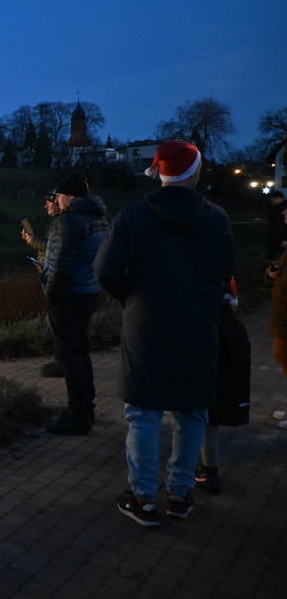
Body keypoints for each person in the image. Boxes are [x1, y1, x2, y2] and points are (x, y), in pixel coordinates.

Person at [95, 140, 234, 527]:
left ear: (161, 173)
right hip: (198, 328)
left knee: (143, 414)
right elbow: (225, 272)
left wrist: (132, 297)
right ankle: (179, 494)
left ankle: (143, 500)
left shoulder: (133, 217)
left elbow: (104, 270)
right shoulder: (217, 219)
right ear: (194, 173)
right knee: (191, 413)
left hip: (148, 326)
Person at [41, 172, 108, 435]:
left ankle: (78, 414)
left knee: (69, 356)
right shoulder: (101, 220)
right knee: (81, 352)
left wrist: (51, 295)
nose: (57, 199)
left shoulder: (70, 223)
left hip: (67, 297)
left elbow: (60, 265)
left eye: (59, 194)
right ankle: (86, 408)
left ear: (71, 196)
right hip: (89, 293)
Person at [196, 279, 251, 494]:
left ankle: (207, 474)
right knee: (209, 429)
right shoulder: (235, 326)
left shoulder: (212, 326)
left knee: (199, 427)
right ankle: (209, 471)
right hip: (225, 391)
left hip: (209, 390)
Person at [21, 189, 64, 378]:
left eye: (49, 202)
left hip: (55, 279)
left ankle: (62, 363)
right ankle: (60, 361)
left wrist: (32, 241)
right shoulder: (56, 222)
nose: (45, 205)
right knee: (55, 322)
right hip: (48, 274)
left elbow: (50, 246)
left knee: (59, 323)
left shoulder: (61, 224)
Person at [264, 202, 287, 429]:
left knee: (282, 355)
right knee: (281, 356)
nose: (284, 213)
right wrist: (273, 274)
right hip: (281, 316)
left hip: (285, 318)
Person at [266, 191, 287, 261]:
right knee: (268, 258)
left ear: (280, 198)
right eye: (271, 198)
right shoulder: (273, 208)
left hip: (282, 239)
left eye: (274, 198)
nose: (272, 200)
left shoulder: (284, 208)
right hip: (274, 239)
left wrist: (285, 239)